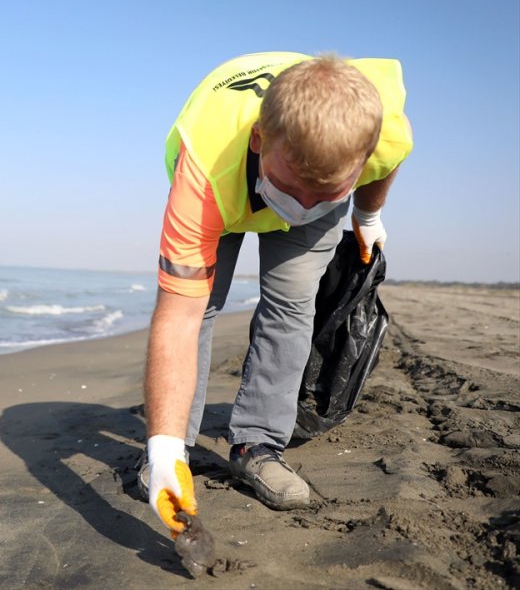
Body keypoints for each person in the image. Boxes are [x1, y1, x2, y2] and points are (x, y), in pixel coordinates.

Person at [140, 52, 413, 536]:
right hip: (227, 182)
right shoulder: (204, 172)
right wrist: (162, 448)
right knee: (202, 305)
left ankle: (258, 444)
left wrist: (365, 214)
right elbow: (178, 316)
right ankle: (176, 448)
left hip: (303, 168)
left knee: (291, 306)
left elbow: (387, 162)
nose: (299, 208)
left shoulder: (384, 131)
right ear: (258, 139)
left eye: (322, 193)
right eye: (292, 188)